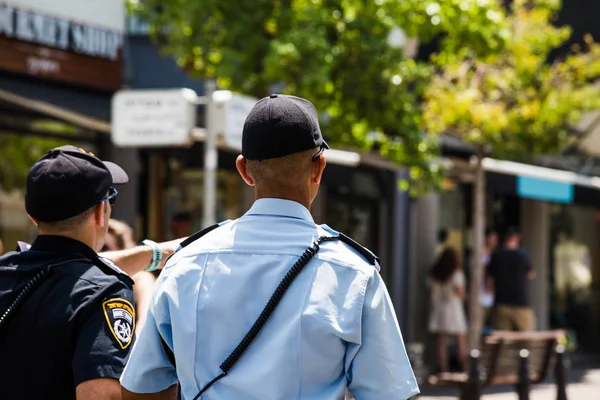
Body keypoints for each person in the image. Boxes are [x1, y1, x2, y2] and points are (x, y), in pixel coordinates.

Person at [120, 94, 419, 400]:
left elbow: (142, 388)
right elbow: (389, 393)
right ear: (319, 168)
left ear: (244, 170)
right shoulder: (353, 273)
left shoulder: (186, 263)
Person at [0, 146, 180, 400]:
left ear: (31, 215)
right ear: (100, 212)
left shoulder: (9, 272)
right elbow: (102, 396)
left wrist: (154, 254)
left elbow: (65, 265)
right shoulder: (105, 289)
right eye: (111, 199)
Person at [103, 219, 158, 334]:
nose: (100, 254)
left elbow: (146, 324)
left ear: (121, 250)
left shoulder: (141, 279)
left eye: (105, 248)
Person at [486, 227, 535, 331]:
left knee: (503, 340)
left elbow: (489, 279)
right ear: (517, 238)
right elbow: (530, 274)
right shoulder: (523, 254)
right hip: (521, 302)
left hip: (501, 302)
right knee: (527, 337)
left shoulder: (497, 254)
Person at [427, 246, 467, 372]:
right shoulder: (456, 273)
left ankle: (443, 368)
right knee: (460, 338)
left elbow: (430, 291)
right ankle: (463, 367)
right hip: (453, 307)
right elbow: (461, 293)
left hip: (439, 307)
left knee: (441, 340)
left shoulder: (434, 273)